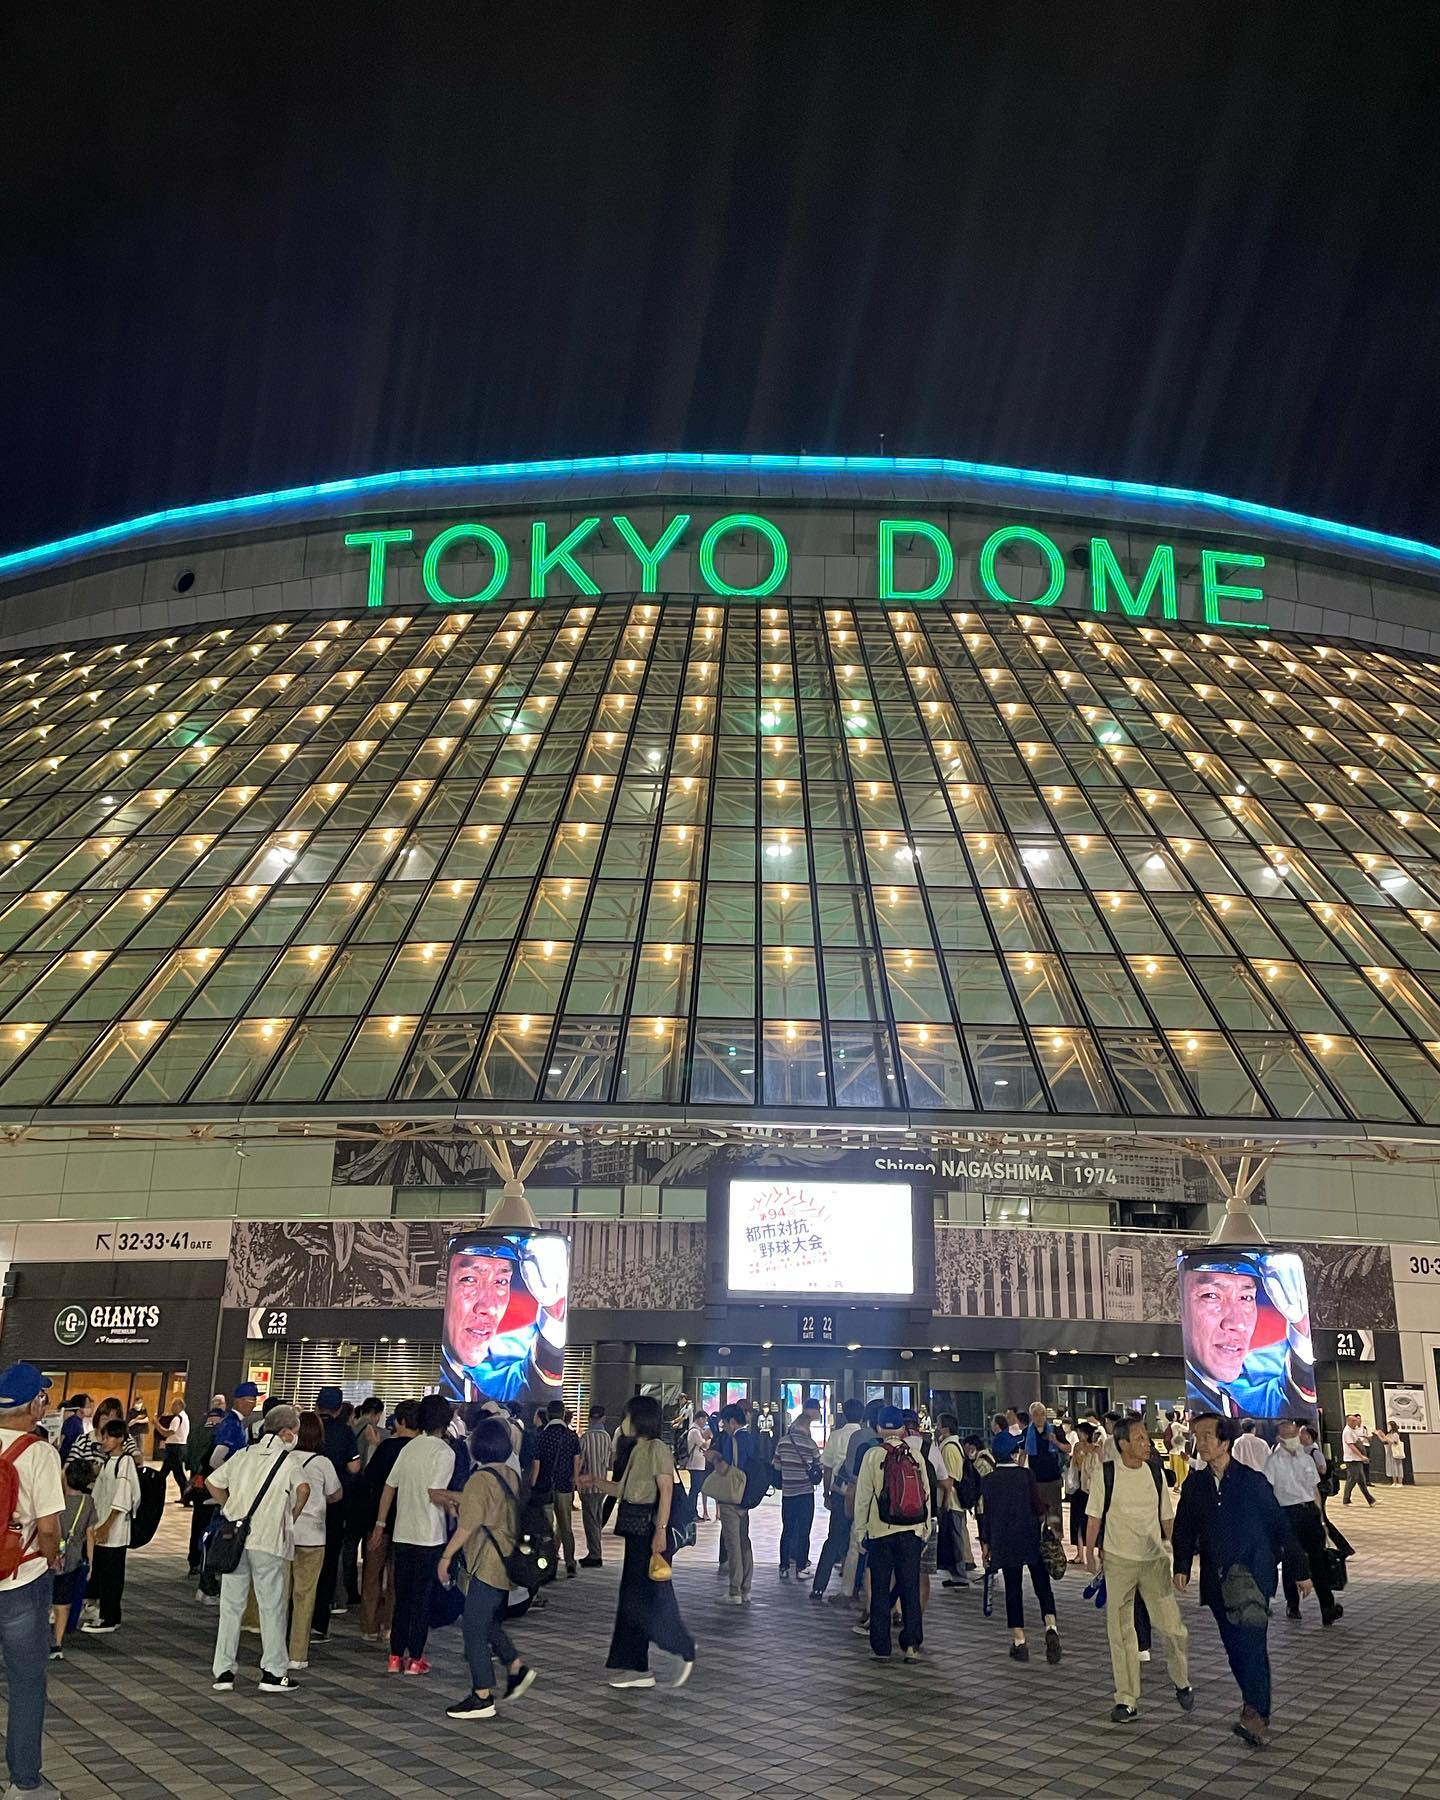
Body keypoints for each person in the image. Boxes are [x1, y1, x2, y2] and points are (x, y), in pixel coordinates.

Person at [1172, 1412, 1310, 1749]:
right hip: (1218, 1580)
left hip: (1253, 1575)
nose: (1200, 1442)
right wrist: (1182, 1565)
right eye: (1197, 1436)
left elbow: (1279, 1524)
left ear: (1224, 1440)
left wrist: (1301, 1569)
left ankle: (1256, 1713)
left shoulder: (1251, 1481)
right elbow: (1184, 1528)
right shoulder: (1195, 1485)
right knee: (1234, 1648)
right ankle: (1252, 1704)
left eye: (1206, 1436)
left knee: (1251, 1644)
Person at [1085, 1414, 1192, 1722]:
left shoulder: (1155, 1474)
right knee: (1120, 1632)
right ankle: (1127, 1699)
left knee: (1171, 1627)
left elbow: (1166, 1518)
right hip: (1119, 1560)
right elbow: (1094, 1516)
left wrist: (1181, 1558)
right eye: (1140, 1439)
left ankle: (1182, 1680)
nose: (1147, 1443)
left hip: (1154, 1561)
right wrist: (1091, 1554)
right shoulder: (1107, 1474)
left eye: (1146, 1437)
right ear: (1123, 1445)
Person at [438, 1414, 537, 1720]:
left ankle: (482, 1696)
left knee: (473, 1628)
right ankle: (516, 1666)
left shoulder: (481, 1478)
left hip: (486, 1562)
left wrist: (445, 1558)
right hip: (505, 1560)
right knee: (486, 1621)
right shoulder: (510, 1473)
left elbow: (467, 1526)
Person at [208, 1404, 309, 1694]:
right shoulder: (288, 1461)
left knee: (231, 1608)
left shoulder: (243, 1455)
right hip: (268, 1540)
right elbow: (303, 1489)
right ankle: (274, 1673)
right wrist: (291, 1515)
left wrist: (230, 1508)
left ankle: (224, 1672)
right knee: (271, 1607)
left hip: (235, 1540)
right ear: (287, 1432)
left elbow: (214, 1483)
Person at [0, 1366, 64, 1795]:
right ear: (35, 1404)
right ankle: (24, 1784)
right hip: (20, 1579)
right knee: (25, 1684)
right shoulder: (38, 1452)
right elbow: (48, 1527)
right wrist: (55, 1556)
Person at [604, 1395, 695, 1689]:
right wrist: (594, 1483)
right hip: (634, 1530)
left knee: (650, 1596)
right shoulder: (636, 1450)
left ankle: (681, 1647)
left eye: (627, 1416)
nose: (624, 1422)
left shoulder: (656, 1449)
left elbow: (665, 1490)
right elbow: (624, 1490)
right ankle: (635, 1666)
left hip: (647, 1531)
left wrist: (661, 1530)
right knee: (634, 1596)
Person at [371, 1392, 455, 1675]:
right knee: (421, 1598)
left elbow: (388, 1487)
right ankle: (415, 1658)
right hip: (429, 1535)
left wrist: (381, 1524)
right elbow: (436, 1493)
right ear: (446, 1421)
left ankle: (395, 1656)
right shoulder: (444, 1452)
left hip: (402, 1533)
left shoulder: (408, 1447)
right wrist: (459, 1502)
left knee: (402, 1596)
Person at [1181, 1249, 1316, 1421]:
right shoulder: (1196, 1396)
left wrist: (1300, 1325)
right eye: (1211, 1295)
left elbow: (1286, 1412)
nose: (1237, 1323)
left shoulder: (1226, 1390)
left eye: (1245, 1298)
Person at [440, 1232, 568, 1403]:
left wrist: (553, 1309)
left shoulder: (494, 1372)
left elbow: (535, 1387)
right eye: (469, 1279)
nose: (489, 1307)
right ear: (444, 1285)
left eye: (501, 1282)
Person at [852, 1406, 930, 1663]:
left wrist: (859, 1531)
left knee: (881, 1587)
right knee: (909, 1587)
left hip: (880, 1532)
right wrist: (924, 1528)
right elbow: (925, 1495)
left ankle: (881, 1647)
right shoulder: (916, 1456)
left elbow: (863, 1497)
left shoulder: (873, 1456)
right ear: (902, 1429)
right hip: (911, 1531)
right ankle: (912, 1645)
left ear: (878, 1429)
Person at [979, 1433, 1060, 1664]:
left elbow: (987, 1516)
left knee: (1013, 1589)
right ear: (1015, 1453)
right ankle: (1051, 1625)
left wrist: (986, 1544)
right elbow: (1037, 1506)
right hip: (1030, 1536)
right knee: (1042, 1585)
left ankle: (1019, 1641)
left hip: (1005, 1541)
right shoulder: (1026, 1475)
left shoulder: (989, 1480)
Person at [352, 1399, 419, 1641]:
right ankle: (391, 1625)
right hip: (408, 1521)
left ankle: (370, 1626)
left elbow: (369, 1479)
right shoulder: (421, 1449)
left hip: (379, 1520)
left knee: (372, 1574)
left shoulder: (387, 1448)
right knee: (396, 1577)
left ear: (400, 1422)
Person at [1266, 1417, 1341, 1626]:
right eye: (1288, 1434)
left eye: (1294, 1433)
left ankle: (1328, 1608)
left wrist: (1321, 1517)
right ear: (1279, 1438)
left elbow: (1314, 1489)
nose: (1292, 1437)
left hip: (1309, 1513)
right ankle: (1293, 1605)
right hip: (1287, 1514)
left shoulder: (1306, 1458)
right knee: (1292, 1561)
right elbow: (1268, 1491)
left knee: (1318, 1561)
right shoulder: (1273, 1462)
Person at [286, 1411, 342, 1671]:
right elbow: (336, 1494)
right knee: (305, 1597)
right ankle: (297, 1654)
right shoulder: (323, 1463)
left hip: (285, 1533)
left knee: (280, 1595)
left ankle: (275, 1646)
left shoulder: (284, 1459)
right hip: (314, 1535)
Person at [308, 1385, 360, 1638]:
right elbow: (354, 1467)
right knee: (328, 1563)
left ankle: (293, 1620)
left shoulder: (306, 1430)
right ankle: (319, 1622)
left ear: (317, 1405)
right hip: (335, 1506)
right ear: (340, 1409)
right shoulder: (345, 1432)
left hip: (303, 1506)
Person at [83, 1420, 141, 1634]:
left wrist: (106, 1526)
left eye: (108, 1437)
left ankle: (110, 1617)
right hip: (104, 1526)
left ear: (119, 1439)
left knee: (111, 1575)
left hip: (114, 1530)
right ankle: (105, 1614)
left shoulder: (124, 1463)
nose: (104, 1441)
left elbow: (122, 1499)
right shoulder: (110, 1461)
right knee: (104, 1572)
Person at [811, 1397, 864, 1598]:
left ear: (844, 1414)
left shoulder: (836, 1435)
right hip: (860, 1494)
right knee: (857, 1540)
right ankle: (854, 1587)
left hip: (840, 1492)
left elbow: (828, 1467)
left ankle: (819, 1586)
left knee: (833, 1538)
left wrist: (826, 1493)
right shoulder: (866, 1436)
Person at [49, 1455, 96, 1663]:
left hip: (48, 1555)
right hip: (73, 1558)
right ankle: (57, 1643)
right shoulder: (88, 1502)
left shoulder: (54, 1499)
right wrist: (91, 1562)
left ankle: (36, 1639)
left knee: (41, 1602)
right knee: (63, 1603)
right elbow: (90, 1533)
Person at [532, 1399, 582, 1578]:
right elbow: (577, 1461)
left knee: (547, 1530)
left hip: (544, 1487)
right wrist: (574, 1481)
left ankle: (549, 1567)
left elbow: (536, 1464)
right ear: (563, 1414)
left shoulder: (541, 1436)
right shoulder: (571, 1436)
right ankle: (570, 1564)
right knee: (565, 1527)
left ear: (547, 1415)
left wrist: (532, 1485)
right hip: (565, 1486)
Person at [774, 1396, 822, 1579]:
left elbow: (776, 1465)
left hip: (788, 1493)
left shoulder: (782, 1442)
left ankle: (784, 1567)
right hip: (805, 1493)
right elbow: (819, 1467)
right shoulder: (810, 1444)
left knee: (787, 1530)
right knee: (804, 1531)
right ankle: (801, 1567)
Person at [712, 1404, 755, 1605]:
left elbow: (726, 1469)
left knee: (733, 1544)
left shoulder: (734, 1440)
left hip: (731, 1498)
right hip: (746, 1497)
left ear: (732, 1421)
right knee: (744, 1541)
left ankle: (734, 1590)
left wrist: (714, 1458)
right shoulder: (751, 1438)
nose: (724, 1427)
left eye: (725, 1422)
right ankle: (746, 1588)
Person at [184, 1405, 225, 1581]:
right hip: (211, 1481)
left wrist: (192, 1472)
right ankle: (204, 1560)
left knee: (197, 1522)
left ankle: (193, 1560)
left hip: (197, 1481)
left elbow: (187, 1454)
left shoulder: (196, 1431)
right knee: (210, 1523)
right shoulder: (217, 1434)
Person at [1022, 1400, 1066, 1528]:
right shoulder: (1027, 1433)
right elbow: (1022, 1453)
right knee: (1037, 1512)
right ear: (1032, 1416)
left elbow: (1068, 1448)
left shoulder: (1054, 1430)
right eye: (1036, 1414)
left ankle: (1055, 1538)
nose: (1040, 1417)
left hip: (1053, 1478)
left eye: (1042, 1414)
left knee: (1054, 1513)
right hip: (1035, 1478)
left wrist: (1056, 1442)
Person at [578, 1404, 611, 1567]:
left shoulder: (585, 1437)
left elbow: (580, 1461)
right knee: (597, 1519)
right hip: (602, 1485)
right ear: (603, 1418)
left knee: (590, 1520)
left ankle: (595, 1554)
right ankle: (596, 1552)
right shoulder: (606, 1437)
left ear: (590, 1418)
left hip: (588, 1485)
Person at [1068, 1422, 1101, 1565]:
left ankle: (1096, 1551)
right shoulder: (1077, 1447)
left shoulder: (1095, 1449)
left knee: (1092, 1519)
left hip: (1091, 1487)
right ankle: (1079, 1553)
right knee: (1077, 1521)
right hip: (1078, 1487)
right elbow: (1076, 1463)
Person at [157, 1398, 190, 1501]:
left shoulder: (177, 1418)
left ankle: (187, 1496)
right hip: (180, 1447)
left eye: (173, 1406)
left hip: (174, 1449)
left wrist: (156, 1424)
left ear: (179, 1406)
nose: (171, 1408)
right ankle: (185, 1496)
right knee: (175, 1473)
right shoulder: (185, 1417)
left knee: (177, 1474)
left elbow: (168, 1433)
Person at [1341, 1414, 1375, 1506]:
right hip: (1351, 1460)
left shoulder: (1353, 1430)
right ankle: (1346, 1500)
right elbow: (1351, 1446)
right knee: (1352, 1480)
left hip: (1356, 1459)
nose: (1356, 1422)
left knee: (1361, 1481)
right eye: (1354, 1421)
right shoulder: (1347, 1431)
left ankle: (1371, 1500)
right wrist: (1361, 1456)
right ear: (1349, 1421)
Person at [684, 1411, 712, 1521]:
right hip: (695, 1464)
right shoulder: (695, 1431)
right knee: (695, 1489)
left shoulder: (697, 1430)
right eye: (704, 1419)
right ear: (699, 1419)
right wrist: (709, 1438)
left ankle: (692, 1512)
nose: (705, 1422)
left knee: (695, 1489)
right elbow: (704, 1445)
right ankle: (691, 1513)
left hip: (698, 1464)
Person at [58, 1394, 92, 1464]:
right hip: (67, 1458)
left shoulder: (78, 1421)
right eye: (88, 1406)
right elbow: (63, 1439)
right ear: (79, 1408)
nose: (90, 1408)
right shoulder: (73, 1421)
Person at [1381, 1419, 1407, 1485]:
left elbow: (1394, 1441)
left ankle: (1400, 1482)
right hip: (1390, 1450)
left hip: (1395, 1450)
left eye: (1389, 1426)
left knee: (1398, 1465)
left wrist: (1385, 1437)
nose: (1388, 1427)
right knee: (1392, 1466)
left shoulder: (1396, 1434)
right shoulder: (1389, 1434)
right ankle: (1394, 1481)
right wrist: (1380, 1434)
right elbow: (1384, 1440)